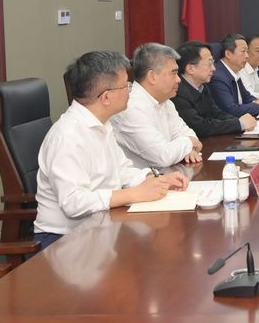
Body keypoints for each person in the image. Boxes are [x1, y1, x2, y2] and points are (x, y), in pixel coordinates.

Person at [33, 51, 188, 250]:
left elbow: (122, 169)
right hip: (63, 241)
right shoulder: (67, 136)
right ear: (106, 97)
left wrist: (155, 179)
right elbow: (74, 203)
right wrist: (134, 194)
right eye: (126, 86)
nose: (131, 91)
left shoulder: (102, 123)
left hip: (101, 228)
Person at [112, 43, 203, 169]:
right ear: (152, 77)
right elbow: (163, 156)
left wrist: (187, 146)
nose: (179, 79)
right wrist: (188, 144)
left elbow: (187, 133)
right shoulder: (131, 107)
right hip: (141, 179)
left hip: (166, 174)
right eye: (173, 73)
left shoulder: (165, 101)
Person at [172, 41, 257, 138]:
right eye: (209, 64)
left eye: (213, 63)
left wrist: (240, 121)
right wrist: (239, 124)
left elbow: (216, 113)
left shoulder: (202, 86)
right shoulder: (178, 93)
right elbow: (200, 127)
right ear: (190, 69)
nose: (214, 68)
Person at [208, 33, 259, 117]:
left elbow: (247, 97)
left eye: (247, 52)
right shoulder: (218, 77)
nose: (247, 56)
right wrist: (258, 106)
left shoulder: (234, 71)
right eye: (243, 52)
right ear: (228, 54)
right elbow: (231, 109)